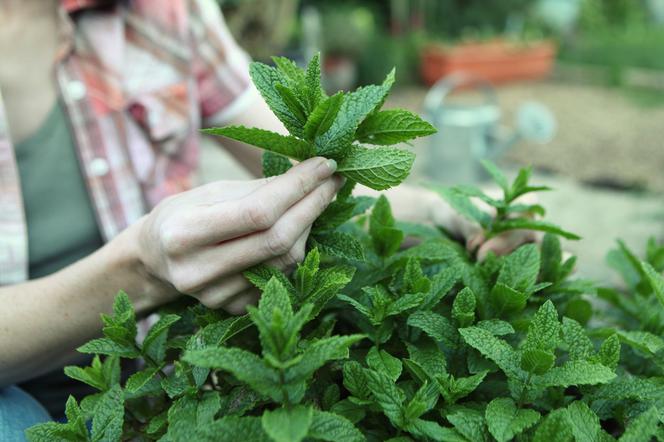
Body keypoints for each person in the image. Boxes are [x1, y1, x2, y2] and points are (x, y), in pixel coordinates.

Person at [0, 0, 535, 436]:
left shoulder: (160, 12)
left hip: (161, 376)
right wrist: (142, 269)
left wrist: (449, 210)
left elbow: (313, 177)